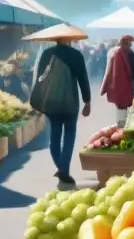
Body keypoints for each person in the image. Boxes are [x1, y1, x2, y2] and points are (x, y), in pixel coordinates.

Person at [30, 23, 92, 188]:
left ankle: (60, 166)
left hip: (51, 102)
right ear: (69, 38)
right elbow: (82, 79)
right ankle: (64, 169)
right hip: (70, 103)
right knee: (69, 136)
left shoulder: (46, 54)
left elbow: (40, 79)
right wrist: (87, 101)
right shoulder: (75, 55)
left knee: (55, 136)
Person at [101, 34, 134, 127]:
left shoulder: (128, 52)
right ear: (124, 43)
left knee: (131, 105)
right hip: (125, 84)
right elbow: (117, 74)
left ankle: (128, 124)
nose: (131, 45)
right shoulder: (119, 53)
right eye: (129, 42)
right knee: (123, 106)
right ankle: (122, 126)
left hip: (133, 82)